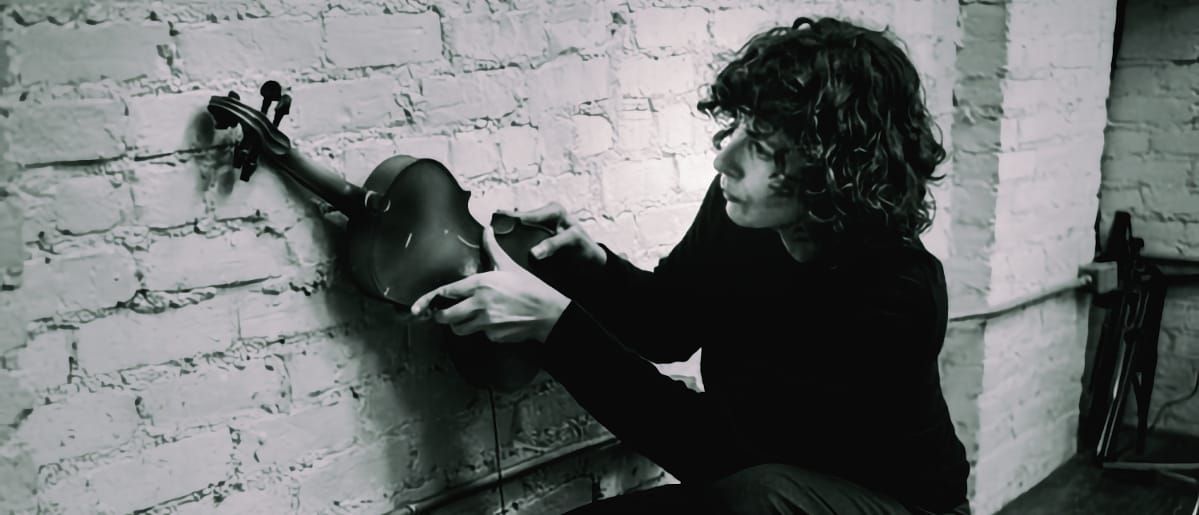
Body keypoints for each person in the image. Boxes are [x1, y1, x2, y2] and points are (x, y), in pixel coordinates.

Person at [410, 15, 971, 515]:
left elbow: (715, 453)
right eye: (742, 126)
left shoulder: (898, 293)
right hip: (757, 482)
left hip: (892, 504)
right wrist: (591, 267)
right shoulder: (741, 210)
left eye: (764, 145)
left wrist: (554, 327)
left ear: (835, 166)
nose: (723, 156)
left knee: (760, 495)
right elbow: (668, 324)